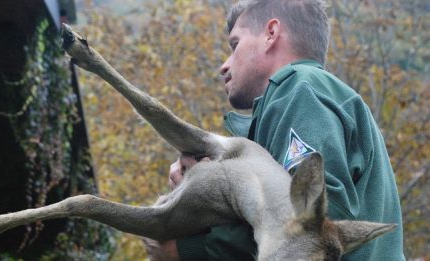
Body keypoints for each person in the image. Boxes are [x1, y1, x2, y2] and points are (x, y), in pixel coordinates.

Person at [144, 0, 405, 260]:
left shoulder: (302, 89)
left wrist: (192, 249)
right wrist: (199, 187)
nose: (224, 65)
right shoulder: (296, 99)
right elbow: (277, 215)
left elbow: (317, 224)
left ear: (271, 34)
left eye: (235, 45)